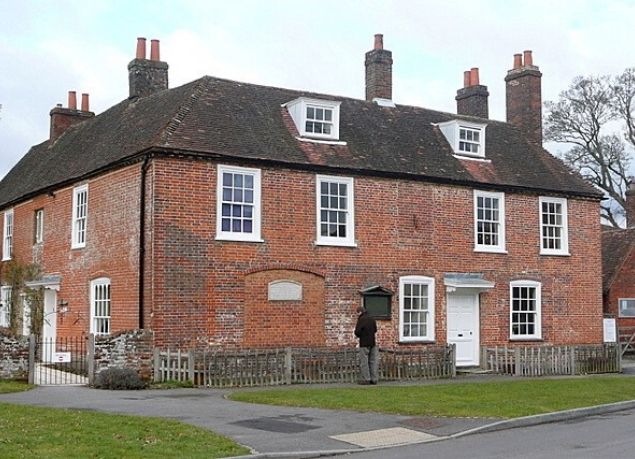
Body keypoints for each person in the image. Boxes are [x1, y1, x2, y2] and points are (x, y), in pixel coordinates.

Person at [354, 306, 378, 385]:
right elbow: (375, 330)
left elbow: (357, 332)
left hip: (364, 343)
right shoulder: (372, 318)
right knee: (372, 361)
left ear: (360, 312)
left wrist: (360, 334)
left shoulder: (361, 319)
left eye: (357, 313)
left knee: (364, 362)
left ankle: (366, 379)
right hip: (372, 342)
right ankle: (374, 379)